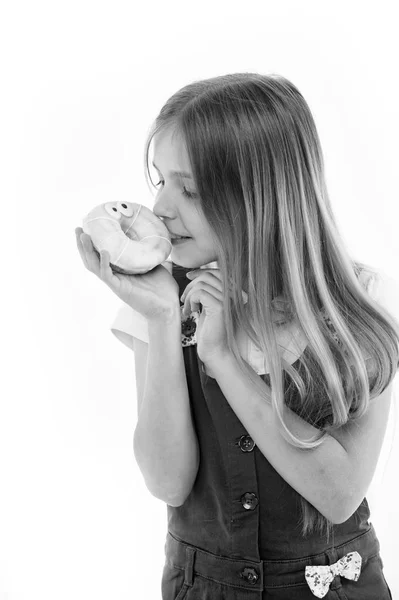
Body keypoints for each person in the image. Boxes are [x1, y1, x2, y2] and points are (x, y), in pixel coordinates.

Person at [76, 73, 398, 599]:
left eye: (191, 188)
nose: (160, 208)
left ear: (262, 197)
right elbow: (167, 482)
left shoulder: (361, 302)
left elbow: (338, 494)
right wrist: (160, 320)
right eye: (160, 180)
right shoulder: (162, 299)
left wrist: (224, 359)